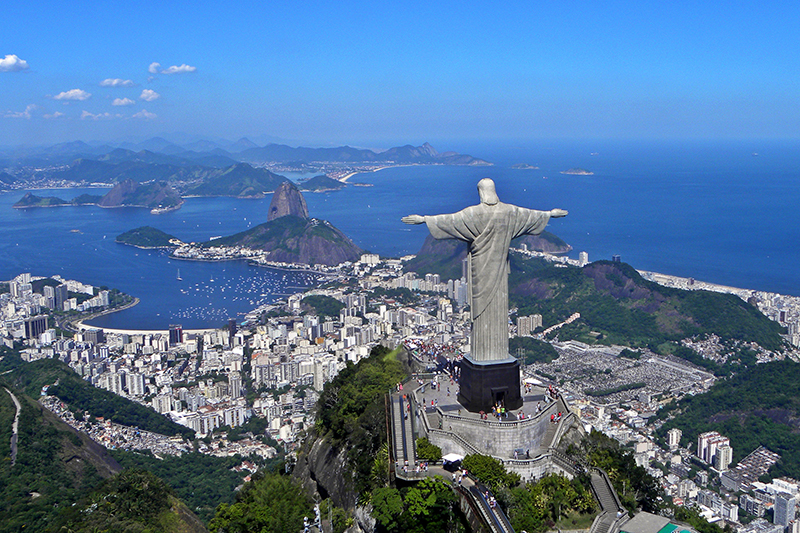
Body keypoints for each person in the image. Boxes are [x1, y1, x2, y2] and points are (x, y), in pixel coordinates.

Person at [403, 179, 567, 363]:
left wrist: (424, 219)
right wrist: (550, 214)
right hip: (500, 271)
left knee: (481, 311)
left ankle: (484, 355)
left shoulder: (473, 213)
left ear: (481, 193)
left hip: (480, 271)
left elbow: (450, 221)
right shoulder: (509, 212)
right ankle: (497, 354)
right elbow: (530, 216)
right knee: (497, 308)